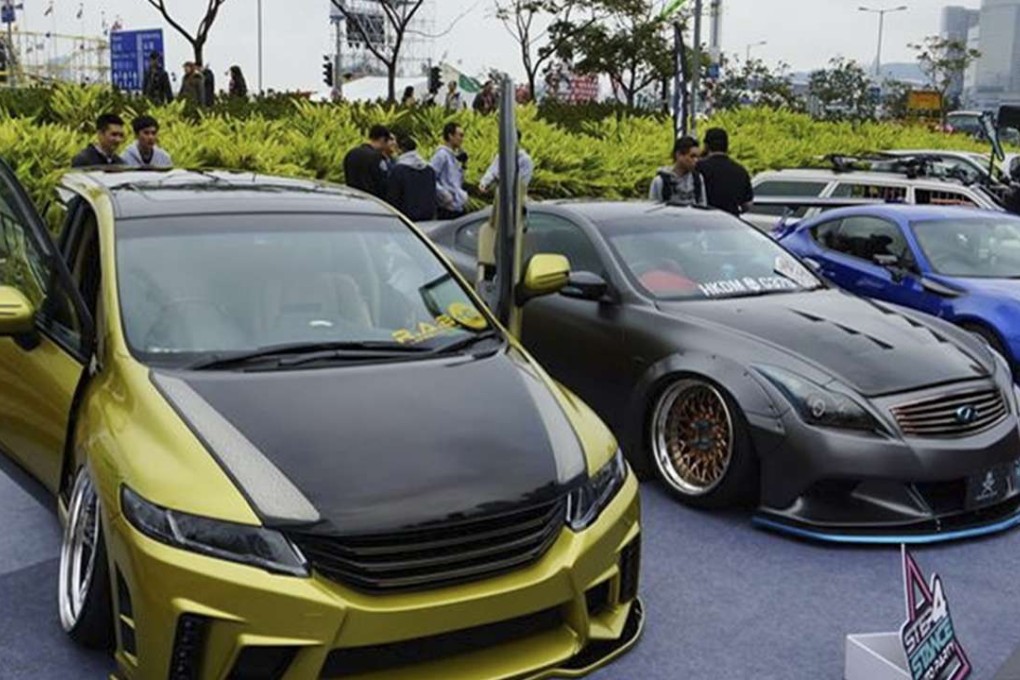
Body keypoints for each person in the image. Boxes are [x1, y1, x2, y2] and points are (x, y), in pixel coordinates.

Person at [697, 127, 754, 216]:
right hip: (730, 222)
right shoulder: (740, 171)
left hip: (704, 220)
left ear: (706, 146)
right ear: (727, 145)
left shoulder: (698, 168)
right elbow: (747, 205)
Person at [386, 134, 437, 222]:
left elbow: (393, 199)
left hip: (406, 220)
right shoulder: (429, 170)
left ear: (400, 149)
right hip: (427, 219)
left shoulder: (398, 170)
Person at [649, 136, 707, 205]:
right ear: (679, 155)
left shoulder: (698, 179)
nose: (696, 160)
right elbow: (653, 208)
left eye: (697, 157)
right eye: (692, 156)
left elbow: (702, 206)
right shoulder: (660, 182)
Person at [431, 122, 469, 219]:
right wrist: (444, 195)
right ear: (450, 136)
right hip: (446, 208)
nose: (462, 139)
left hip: (457, 206)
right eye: (460, 135)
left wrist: (463, 165)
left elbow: (457, 181)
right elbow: (430, 177)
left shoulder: (454, 157)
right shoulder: (441, 155)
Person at [343, 124, 391, 199]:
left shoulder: (351, 153)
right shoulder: (377, 158)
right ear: (382, 139)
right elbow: (382, 183)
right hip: (372, 201)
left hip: (352, 198)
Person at [479, 130, 534, 194]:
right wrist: (484, 183)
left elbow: (522, 180)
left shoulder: (525, 159)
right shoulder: (501, 156)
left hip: (517, 195)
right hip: (500, 194)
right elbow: (492, 170)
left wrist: (499, 178)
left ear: (517, 140)